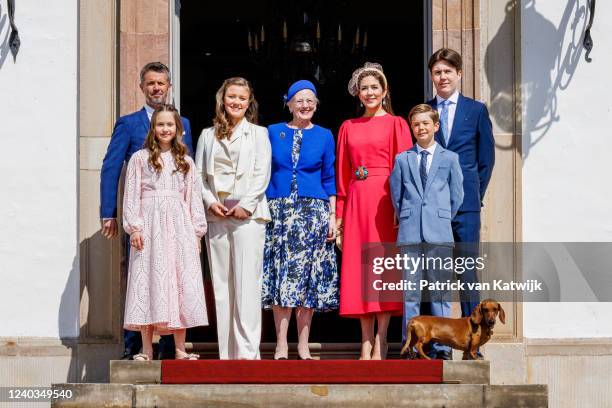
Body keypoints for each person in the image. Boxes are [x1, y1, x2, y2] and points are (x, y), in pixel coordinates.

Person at [100, 62, 193, 360]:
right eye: (150, 83)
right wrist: (109, 212)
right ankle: (136, 346)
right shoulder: (128, 124)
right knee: (141, 276)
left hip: (174, 220)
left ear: (169, 86)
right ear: (142, 87)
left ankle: (169, 347)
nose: (156, 88)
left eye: (161, 83)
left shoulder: (184, 124)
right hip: (143, 216)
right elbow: (112, 167)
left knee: (172, 277)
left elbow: (186, 174)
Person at [336, 62, 413, 360]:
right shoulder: (347, 127)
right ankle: (365, 341)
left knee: (383, 268)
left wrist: (400, 205)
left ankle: (383, 340)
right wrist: (339, 217)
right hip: (356, 201)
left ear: (384, 91)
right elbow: (342, 174)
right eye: (364, 88)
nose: (369, 93)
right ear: (358, 93)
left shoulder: (397, 124)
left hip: (385, 201)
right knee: (358, 269)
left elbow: (404, 168)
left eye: (374, 88)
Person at [122, 104, 208, 361]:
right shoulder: (140, 158)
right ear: (153, 128)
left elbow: (193, 198)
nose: (165, 129)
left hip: (179, 226)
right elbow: (131, 195)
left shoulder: (187, 162)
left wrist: (196, 233)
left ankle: (180, 349)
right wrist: (134, 227)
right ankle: (146, 349)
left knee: (179, 282)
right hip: (149, 225)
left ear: (177, 128)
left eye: (170, 124)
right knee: (148, 279)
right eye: (160, 124)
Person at [194, 77, 271, 360]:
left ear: (249, 102)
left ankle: (248, 354)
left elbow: (263, 173)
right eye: (232, 97)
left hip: (248, 218)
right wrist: (210, 202)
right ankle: (227, 354)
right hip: (217, 216)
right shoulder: (207, 135)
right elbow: (198, 176)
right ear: (222, 99)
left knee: (247, 285)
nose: (236, 102)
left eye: (242, 97)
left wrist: (247, 205)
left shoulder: (259, 134)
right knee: (222, 287)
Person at [262, 80, 339, 360]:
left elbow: (330, 177)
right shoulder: (271, 132)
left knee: (306, 280)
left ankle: (303, 344)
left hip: (313, 213)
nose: (305, 106)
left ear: (316, 105)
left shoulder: (325, 135)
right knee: (282, 277)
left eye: (310, 101)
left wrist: (333, 216)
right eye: (299, 100)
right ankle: (281, 343)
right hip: (279, 212)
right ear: (289, 103)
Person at [390, 104, 464, 360]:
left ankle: (442, 347)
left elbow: (457, 196)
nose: (421, 128)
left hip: (439, 233)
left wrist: (440, 219)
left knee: (439, 293)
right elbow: (396, 196)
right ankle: (409, 346)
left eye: (425, 123)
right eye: (416, 124)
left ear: (436, 126)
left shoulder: (450, 159)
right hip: (410, 233)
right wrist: (410, 218)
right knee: (410, 293)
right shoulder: (402, 159)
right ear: (411, 128)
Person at [426, 48, 495, 319]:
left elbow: (486, 160)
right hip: (432, 205)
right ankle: (435, 345)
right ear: (432, 76)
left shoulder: (476, 110)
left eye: (447, 71)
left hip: (466, 205)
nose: (443, 77)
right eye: (437, 72)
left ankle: (473, 340)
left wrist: (475, 195)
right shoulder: (424, 111)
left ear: (459, 74)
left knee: (467, 270)